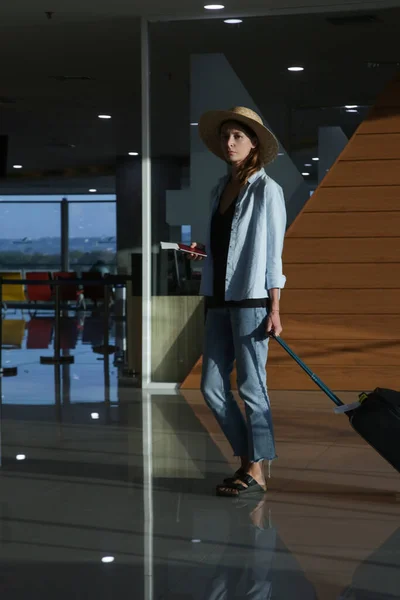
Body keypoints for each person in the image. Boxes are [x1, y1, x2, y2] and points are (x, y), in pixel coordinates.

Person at [190, 106, 286, 497]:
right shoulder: (219, 189)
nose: (229, 143)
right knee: (212, 388)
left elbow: (272, 253)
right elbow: (226, 244)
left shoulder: (267, 190)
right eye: (226, 136)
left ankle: (255, 468)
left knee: (251, 386)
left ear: (254, 145)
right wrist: (204, 251)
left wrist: (275, 308)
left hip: (252, 300)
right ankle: (252, 460)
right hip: (217, 298)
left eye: (238, 137)